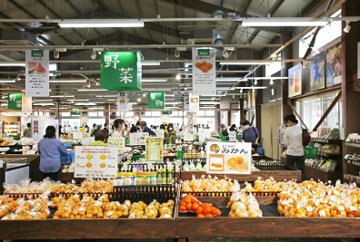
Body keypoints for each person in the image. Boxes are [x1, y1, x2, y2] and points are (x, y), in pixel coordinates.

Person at [283, 114, 306, 181]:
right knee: (301, 171)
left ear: (289, 121)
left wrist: (291, 143)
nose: (287, 124)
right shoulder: (301, 129)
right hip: (300, 153)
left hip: (291, 153)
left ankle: (290, 183)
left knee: (289, 171)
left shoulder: (287, 130)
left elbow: (285, 143)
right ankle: (303, 183)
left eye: (287, 122)